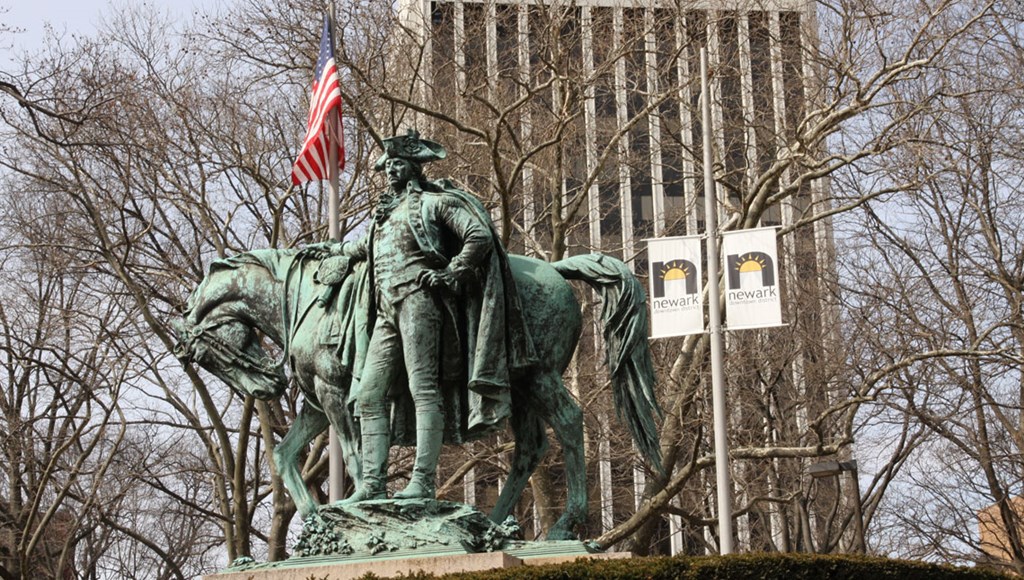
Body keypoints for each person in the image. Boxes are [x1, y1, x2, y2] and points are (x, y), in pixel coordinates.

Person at [325, 129, 535, 501]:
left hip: (420, 301)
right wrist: (330, 255)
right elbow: (359, 250)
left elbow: (479, 235)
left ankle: (422, 480)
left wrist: (452, 271)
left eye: (398, 164)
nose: (391, 170)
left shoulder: (432, 204)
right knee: (369, 394)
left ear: (414, 168)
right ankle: (372, 484)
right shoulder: (381, 218)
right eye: (388, 165)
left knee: (424, 390)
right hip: (386, 310)